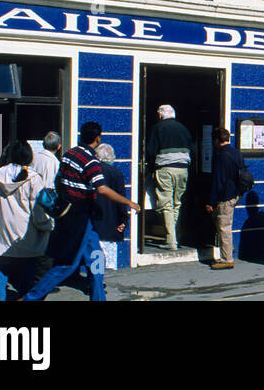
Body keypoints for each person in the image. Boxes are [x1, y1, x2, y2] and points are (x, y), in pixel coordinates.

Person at [24, 122, 140, 302]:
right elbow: (101, 189)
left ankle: (99, 298)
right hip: (80, 216)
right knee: (68, 265)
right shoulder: (91, 161)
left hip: (76, 215)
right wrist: (129, 202)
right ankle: (31, 297)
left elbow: (59, 180)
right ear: (98, 138)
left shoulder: (70, 153)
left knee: (97, 260)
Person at [0, 141, 52, 301]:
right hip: (26, 234)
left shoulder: (0, 174)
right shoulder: (34, 179)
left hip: (3, 232)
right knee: (27, 273)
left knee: (1, 270)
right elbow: (39, 210)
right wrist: (46, 226)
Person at [146, 104, 192, 251]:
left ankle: (171, 241)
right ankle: (174, 236)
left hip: (165, 168)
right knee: (176, 203)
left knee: (165, 205)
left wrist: (150, 167)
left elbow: (151, 151)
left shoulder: (157, 128)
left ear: (160, 115)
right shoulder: (183, 128)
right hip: (183, 169)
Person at [206, 127, 245, 270]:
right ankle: (228, 250)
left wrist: (211, 201)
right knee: (225, 224)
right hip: (235, 194)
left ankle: (226, 258)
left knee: (224, 227)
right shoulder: (236, 153)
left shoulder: (221, 155)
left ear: (216, 140)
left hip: (225, 195)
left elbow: (218, 180)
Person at [93, 144, 128, 276]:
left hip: (95, 219)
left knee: (96, 257)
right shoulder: (116, 173)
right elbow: (120, 199)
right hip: (111, 220)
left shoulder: (93, 172)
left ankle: (96, 283)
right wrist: (123, 219)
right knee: (109, 260)